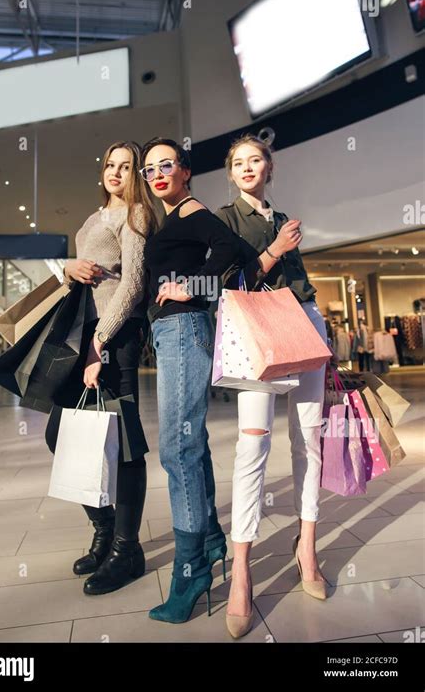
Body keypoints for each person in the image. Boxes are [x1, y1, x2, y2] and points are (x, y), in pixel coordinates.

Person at [215, 133, 330, 639]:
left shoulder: (284, 218)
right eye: (238, 161)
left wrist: (323, 329)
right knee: (252, 447)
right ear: (230, 171)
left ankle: (307, 547)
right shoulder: (224, 218)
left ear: (269, 168)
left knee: (309, 441)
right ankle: (241, 569)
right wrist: (273, 252)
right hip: (256, 329)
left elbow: (302, 283)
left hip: (303, 323)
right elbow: (224, 279)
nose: (247, 167)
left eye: (255, 159)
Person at [45, 140, 157, 595]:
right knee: (61, 433)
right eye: (110, 164)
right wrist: (69, 268)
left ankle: (127, 549)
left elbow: (133, 284)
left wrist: (100, 341)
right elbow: (80, 279)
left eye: (126, 166)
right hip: (83, 335)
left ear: (136, 176)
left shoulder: (137, 215)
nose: (115, 172)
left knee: (125, 443)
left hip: (117, 337)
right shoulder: (93, 220)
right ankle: (106, 530)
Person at [141, 137, 245, 623]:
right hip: (174, 332)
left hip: (183, 328)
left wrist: (194, 286)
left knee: (176, 449)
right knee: (191, 442)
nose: (157, 173)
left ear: (185, 170)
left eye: (166, 164)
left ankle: (190, 571)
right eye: (149, 169)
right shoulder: (172, 216)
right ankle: (208, 540)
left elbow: (232, 248)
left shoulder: (190, 210)